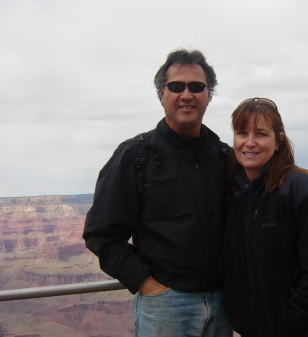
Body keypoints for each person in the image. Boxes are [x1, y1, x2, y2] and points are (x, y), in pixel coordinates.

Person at [83, 49, 233, 337]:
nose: (186, 94)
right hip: (166, 305)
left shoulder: (224, 157)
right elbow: (101, 234)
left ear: (209, 94)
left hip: (222, 303)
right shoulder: (135, 155)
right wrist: (147, 285)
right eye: (176, 86)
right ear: (161, 94)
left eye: (197, 87)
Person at [223, 98, 308, 337]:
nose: (250, 143)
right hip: (257, 329)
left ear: (278, 141)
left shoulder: (302, 189)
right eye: (242, 133)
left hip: (305, 329)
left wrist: (291, 320)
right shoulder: (237, 195)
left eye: (261, 134)